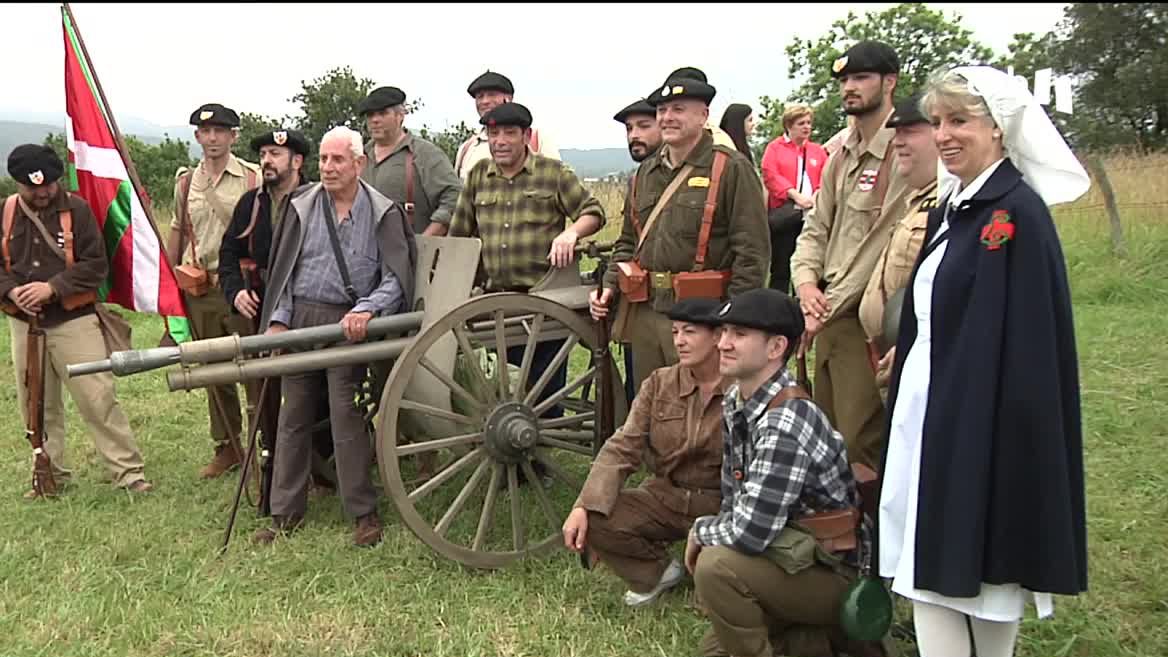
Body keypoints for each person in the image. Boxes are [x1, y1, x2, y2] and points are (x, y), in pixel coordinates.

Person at [878, 65, 1089, 657]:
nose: (944, 134)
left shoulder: (1015, 213)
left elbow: (1024, 344)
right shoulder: (957, 206)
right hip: (931, 409)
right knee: (927, 561)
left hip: (979, 419)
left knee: (982, 563)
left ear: (999, 129)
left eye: (959, 121)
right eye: (938, 121)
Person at [687, 288, 879, 657]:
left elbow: (749, 532)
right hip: (788, 555)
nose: (723, 343)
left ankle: (838, 634)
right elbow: (734, 499)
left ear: (776, 348)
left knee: (715, 568)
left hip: (832, 573)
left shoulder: (785, 422)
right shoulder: (738, 400)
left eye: (739, 335)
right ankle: (817, 642)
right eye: (724, 331)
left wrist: (700, 532)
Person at [255, 126, 417, 547]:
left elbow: (396, 278)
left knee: (346, 416)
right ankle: (283, 514)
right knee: (293, 417)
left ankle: (363, 513)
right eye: (324, 160)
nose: (327, 168)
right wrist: (279, 319)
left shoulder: (383, 211)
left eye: (337, 160)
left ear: (358, 164)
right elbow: (284, 273)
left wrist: (367, 308)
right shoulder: (301, 206)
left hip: (347, 323)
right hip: (302, 319)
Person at [591, 70, 769, 398]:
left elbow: (752, 253)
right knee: (653, 403)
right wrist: (610, 286)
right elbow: (629, 242)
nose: (668, 117)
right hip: (647, 311)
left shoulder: (730, 168)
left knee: (707, 407)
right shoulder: (644, 173)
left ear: (703, 115)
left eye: (679, 109)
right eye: (662, 110)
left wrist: (732, 321)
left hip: (704, 314)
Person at [2, 144, 152, 496]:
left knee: (98, 397)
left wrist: (52, 288)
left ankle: (129, 474)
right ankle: (49, 475)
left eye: (48, 185)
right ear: (18, 184)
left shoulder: (78, 211)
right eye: (32, 187)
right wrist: (12, 293)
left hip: (74, 320)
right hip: (24, 324)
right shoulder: (5, 213)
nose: (42, 193)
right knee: (36, 403)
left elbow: (95, 265)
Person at [789, 40, 910, 470]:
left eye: (860, 78)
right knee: (828, 436)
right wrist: (805, 283)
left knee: (862, 443)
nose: (849, 89)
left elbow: (881, 244)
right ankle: (839, 534)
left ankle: (874, 536)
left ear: (889, 82)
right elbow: (815, 228)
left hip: (865, 321)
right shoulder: (842, 154)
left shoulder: (903, 152)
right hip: (826, 315)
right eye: (844, 81)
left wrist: (822, 308)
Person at [562, 297, 726, 607]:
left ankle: (711, 566)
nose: (679, 341)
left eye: (690, 332)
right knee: (597, 516)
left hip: (720, 505)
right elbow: (623, 446)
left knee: (713, 589)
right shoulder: (660, 384)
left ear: (717, 336)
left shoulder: (742, 388)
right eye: (675, 331)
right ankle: (657, 572)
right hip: (665, 497)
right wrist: (583, 505)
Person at [448, 102, 604, 423]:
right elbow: (459, 235)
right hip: (497, 303)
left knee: (544, 388)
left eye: (509, 133)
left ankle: (541, 456)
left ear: (526, 136)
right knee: (504, 389)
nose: (500, 141)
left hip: (545, 300)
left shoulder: (553, 174)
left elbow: (593, 212)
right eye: (493, 134)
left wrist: (571, 234)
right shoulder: (478, 176)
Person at [217, 128, 334, 499]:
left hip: (310, 306)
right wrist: (236, 292)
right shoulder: (252, 204)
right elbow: (228, 255)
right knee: (266, 393)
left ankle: (325, 471)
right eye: (264, 153)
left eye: (276, 154)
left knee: (317, 390)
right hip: (263, 306)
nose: (267, 160)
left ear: (297, 162)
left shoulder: (322, 201)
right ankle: (274, 468)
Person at [168, 102, 262, 480]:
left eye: (220, 131)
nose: (212, 138)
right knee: (213, 371)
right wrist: (169, 283)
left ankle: (263, 444)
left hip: (242, 286)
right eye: (205, 132)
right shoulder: (187, 183)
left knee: (255, 368)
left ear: (233, 136)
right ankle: (227, 447)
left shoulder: (253, 178)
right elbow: (178, 228)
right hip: (201, 286)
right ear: (196, 136)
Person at [857, 94, 939, 397]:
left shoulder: (950, 202)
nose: (898, 142)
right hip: (888, 353)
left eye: (910, 132)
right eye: (896, 133)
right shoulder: (915, 199)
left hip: (919, 355)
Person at [612, 98, 664, 405]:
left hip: (691, 303)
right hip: (642, 297)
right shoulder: (638, 179)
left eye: (644, 126)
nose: (634, 135)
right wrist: (608, 286)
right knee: (643, 390)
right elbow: (628, 241)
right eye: (630, 129)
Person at [358, 86, 462, 236]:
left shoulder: (425, 154)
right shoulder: (359, 156)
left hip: (410, 253)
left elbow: (454, 198)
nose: (375, 120)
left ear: (400, 115)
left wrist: (425, 241)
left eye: (382, 113)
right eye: (370, 115)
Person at [760, 104, 828, 293]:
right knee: (782, 267)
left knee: (812, 263)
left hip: (813, 213)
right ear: (789, 125)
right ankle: (776, 309)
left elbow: (827, 175)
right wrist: (794, 194)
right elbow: (770, 174)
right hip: (787, 213)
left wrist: (817, 195)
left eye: (808, 123)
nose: (806, 127)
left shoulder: (817, 151)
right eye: (801, 123)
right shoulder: (775, 148)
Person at [453, 70, 560, 180]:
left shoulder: (537, 140)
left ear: (509, 98)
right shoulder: (467, 149)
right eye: (480, 96)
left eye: (491, 95)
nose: (485, 101)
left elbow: (559, 183)